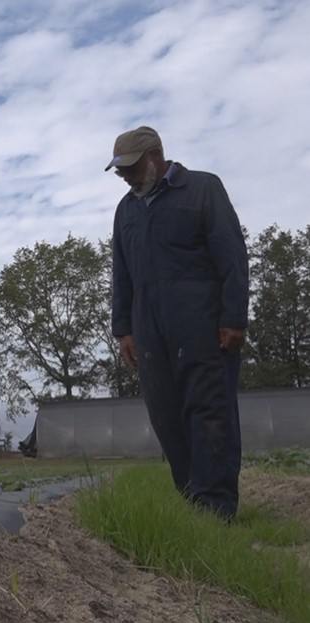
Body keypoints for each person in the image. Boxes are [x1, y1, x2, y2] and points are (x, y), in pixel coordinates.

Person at [107, 125, 249, 520]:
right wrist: (124, 330)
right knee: (166, 417)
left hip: (204, 329)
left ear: (156, 155)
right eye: (120, 172)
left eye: (132, 168)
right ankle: (192, 504)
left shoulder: (202, 190)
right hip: (150, 332)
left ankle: (217, 510)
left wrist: (235, 317)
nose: (126, 178)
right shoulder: (126, 210)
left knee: (208, 414)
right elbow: (122, 274)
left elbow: (232, 256)